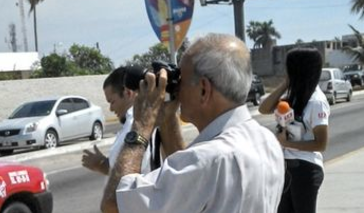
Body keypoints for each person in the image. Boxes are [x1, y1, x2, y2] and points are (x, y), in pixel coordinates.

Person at [100, 33, 285, 213]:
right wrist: (167, 118)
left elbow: (114, 203)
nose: (177, 89)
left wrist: (141, 125)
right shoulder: (267, 141)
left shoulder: (209, 159)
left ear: (204, 90)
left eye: (182, 81)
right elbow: (186, 186)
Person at [259, 47, 330, 213]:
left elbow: (321, 144)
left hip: (306, 169)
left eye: (290, 69)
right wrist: (286, 84)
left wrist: (287, 143)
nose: (286, 71)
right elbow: (264, 108)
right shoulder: (296, 95)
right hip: (287, 167)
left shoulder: (316, 101)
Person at [81, 67, 153, 176]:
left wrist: (101, 164)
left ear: (128, 93)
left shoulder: (136, 124)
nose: (111, 109)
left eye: (112, 101)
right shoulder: (139, 120)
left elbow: (124, 172)